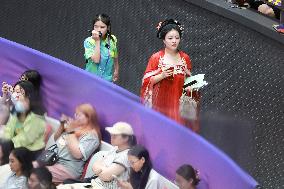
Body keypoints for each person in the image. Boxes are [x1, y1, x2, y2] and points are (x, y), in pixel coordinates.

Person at [140, 19, 200, 131]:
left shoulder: (185, 58)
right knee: (158, 131)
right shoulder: (156, 58)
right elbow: (146, 80)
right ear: (163, 40)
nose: (174, 41)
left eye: (177, 38)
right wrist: (162, 75)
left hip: (178, 105)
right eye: (170, 38)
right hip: (160, 104)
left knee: (176, 133)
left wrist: (190, 80)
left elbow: (189, 83)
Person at [46, 103, 101, 183]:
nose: (76, 117)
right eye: (76, 114)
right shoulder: (76, 126)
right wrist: (62, 125)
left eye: (79, 115)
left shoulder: (92, 135)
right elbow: (56, 138)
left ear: (89, 117)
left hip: (67, 168)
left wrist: (71, 132)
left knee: (37, 173)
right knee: (30, 167)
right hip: (53, 161)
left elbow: (78, 154)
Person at [2, 80, 46, 160]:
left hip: (28, 153)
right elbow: (10, 128)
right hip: (13, 147)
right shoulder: (19, 108)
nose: (15, 95)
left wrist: (7, 145)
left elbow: (25, 140)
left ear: (28, 94)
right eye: (14, 91)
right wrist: (4, 140)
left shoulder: (37, 116)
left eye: (18, 92)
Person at [90, 122, 136, 189]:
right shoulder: (115, 148)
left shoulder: (127, 156)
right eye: (112, 134)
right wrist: (103, 169)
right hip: (95, 182)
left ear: (126, 138)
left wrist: (100, 169)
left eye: (115, 135)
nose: (112, 137)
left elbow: (106, 176)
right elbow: (95, 164)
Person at [84, 13, 119, 82]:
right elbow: (96, 60)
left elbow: (115, 55)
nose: (98, 29)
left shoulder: (112, 39)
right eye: (96, 26)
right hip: (91, 79)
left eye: (102, 27)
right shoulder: (89, 41)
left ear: (108, 27)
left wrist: (116, 69)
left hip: (107, 80)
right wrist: (97, 41)